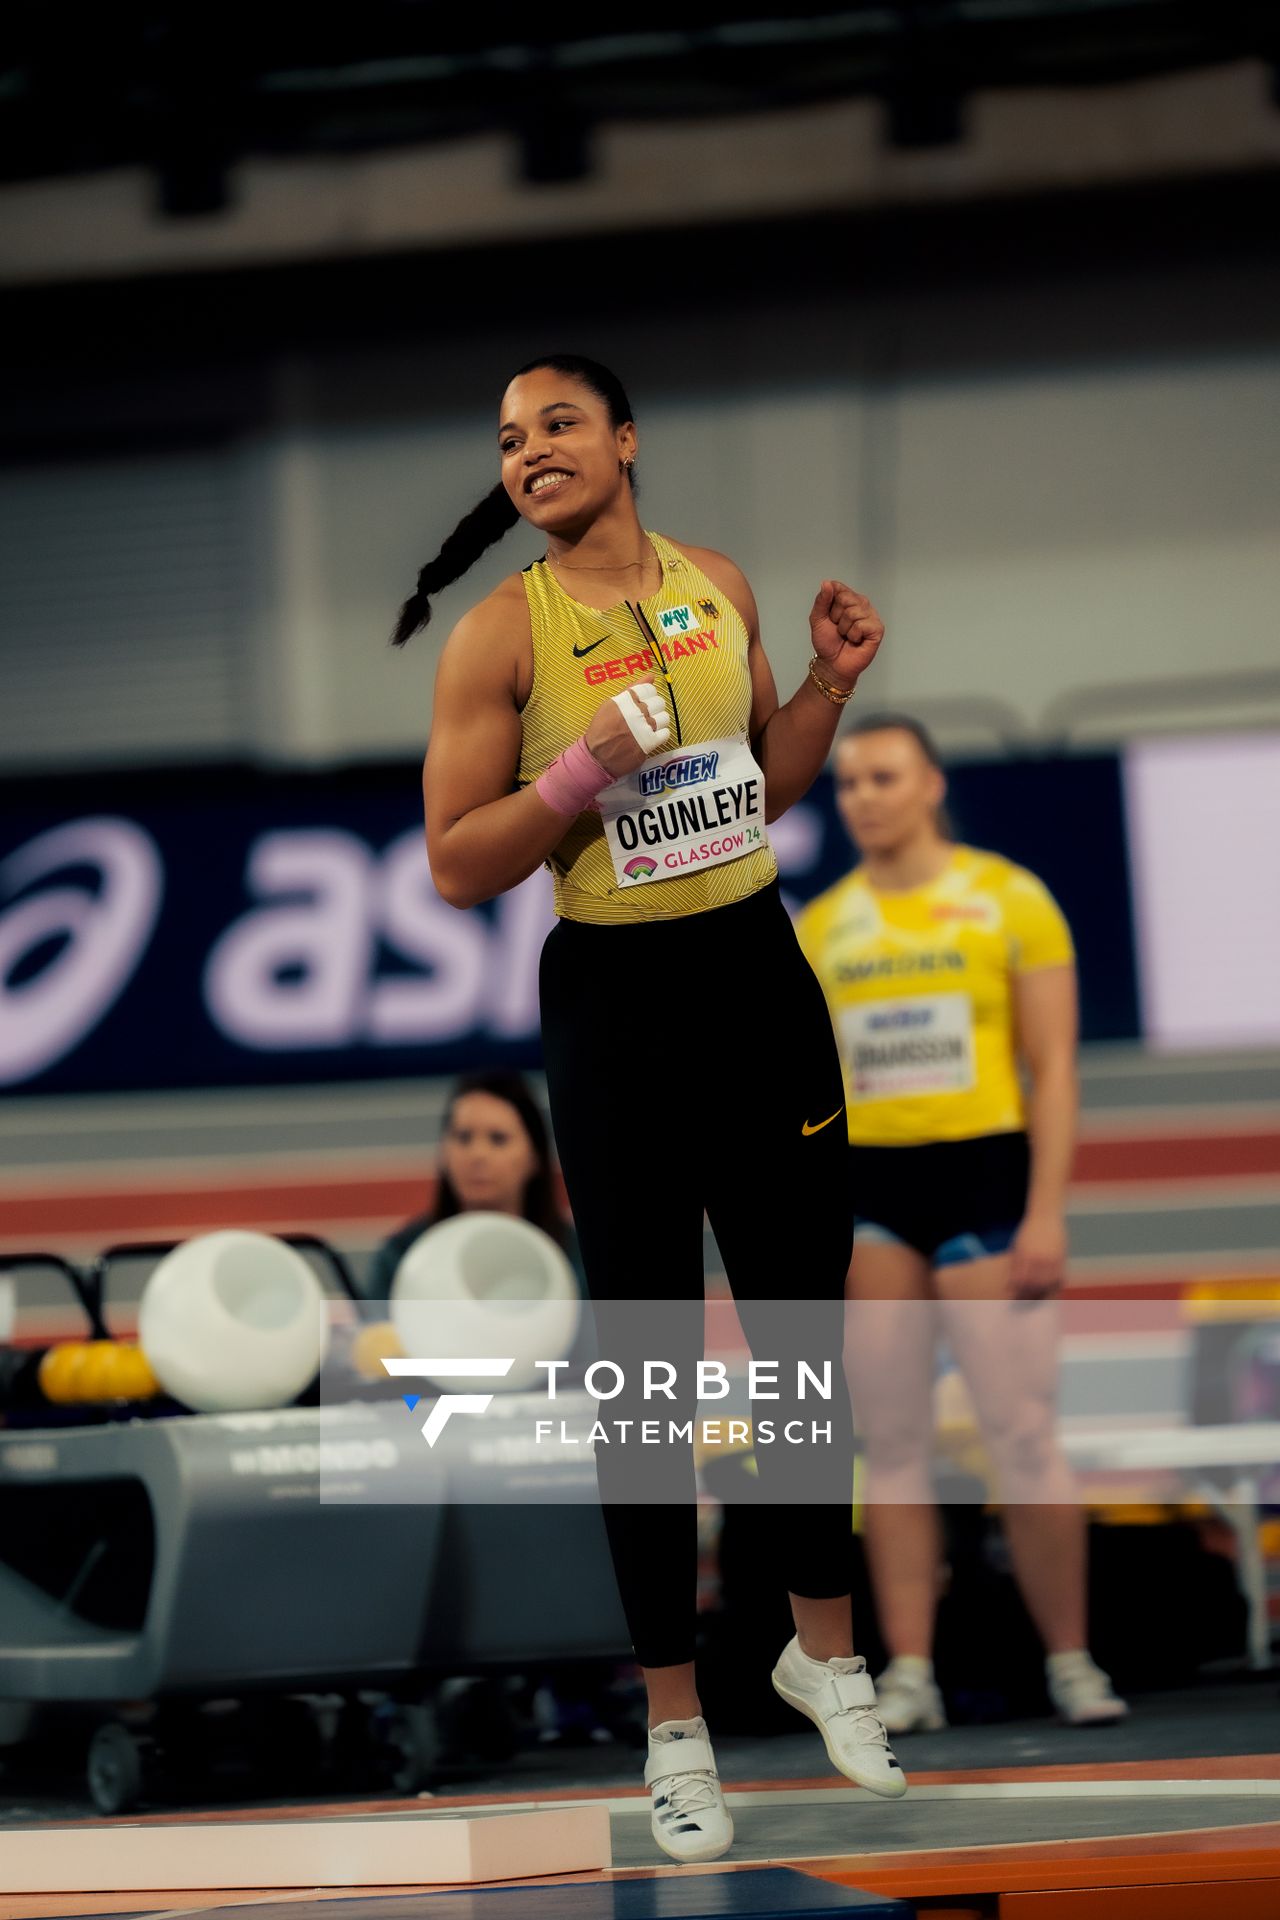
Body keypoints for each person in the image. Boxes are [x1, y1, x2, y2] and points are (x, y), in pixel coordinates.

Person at [395, 352, 903, 1863]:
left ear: (623, 440)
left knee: (803, 1332)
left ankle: (826, 1654)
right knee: (653, 1378)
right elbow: (456, 860)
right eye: (506, 438)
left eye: (557, 422)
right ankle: (674, 1726)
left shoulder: (720, 585)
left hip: (758, 977)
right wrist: (576, 775)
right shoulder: (501, 635)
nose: (530, 449)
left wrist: (823, 687)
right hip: (619, 1008)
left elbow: (767, 784)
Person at [796, 713, 1128, 1734]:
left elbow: (1055, 1067)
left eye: (883, 776)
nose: (861, 796)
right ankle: (906, 1673)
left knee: (1020, 1431)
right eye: (847, 781)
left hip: (988, 1182)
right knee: (887, 1439)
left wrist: (1044, 1212)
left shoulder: (1008, 900)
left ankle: (1069, 1660)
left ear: (931, 784)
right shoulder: (822, 926)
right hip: (872, 1192)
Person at [367, 1069, 577, 1296]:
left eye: (498, 1139)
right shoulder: (402, 1257)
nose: (477, 1155)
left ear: (535, 1157)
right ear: (444, 1151)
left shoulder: (576, 1258)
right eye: (463, 1137)